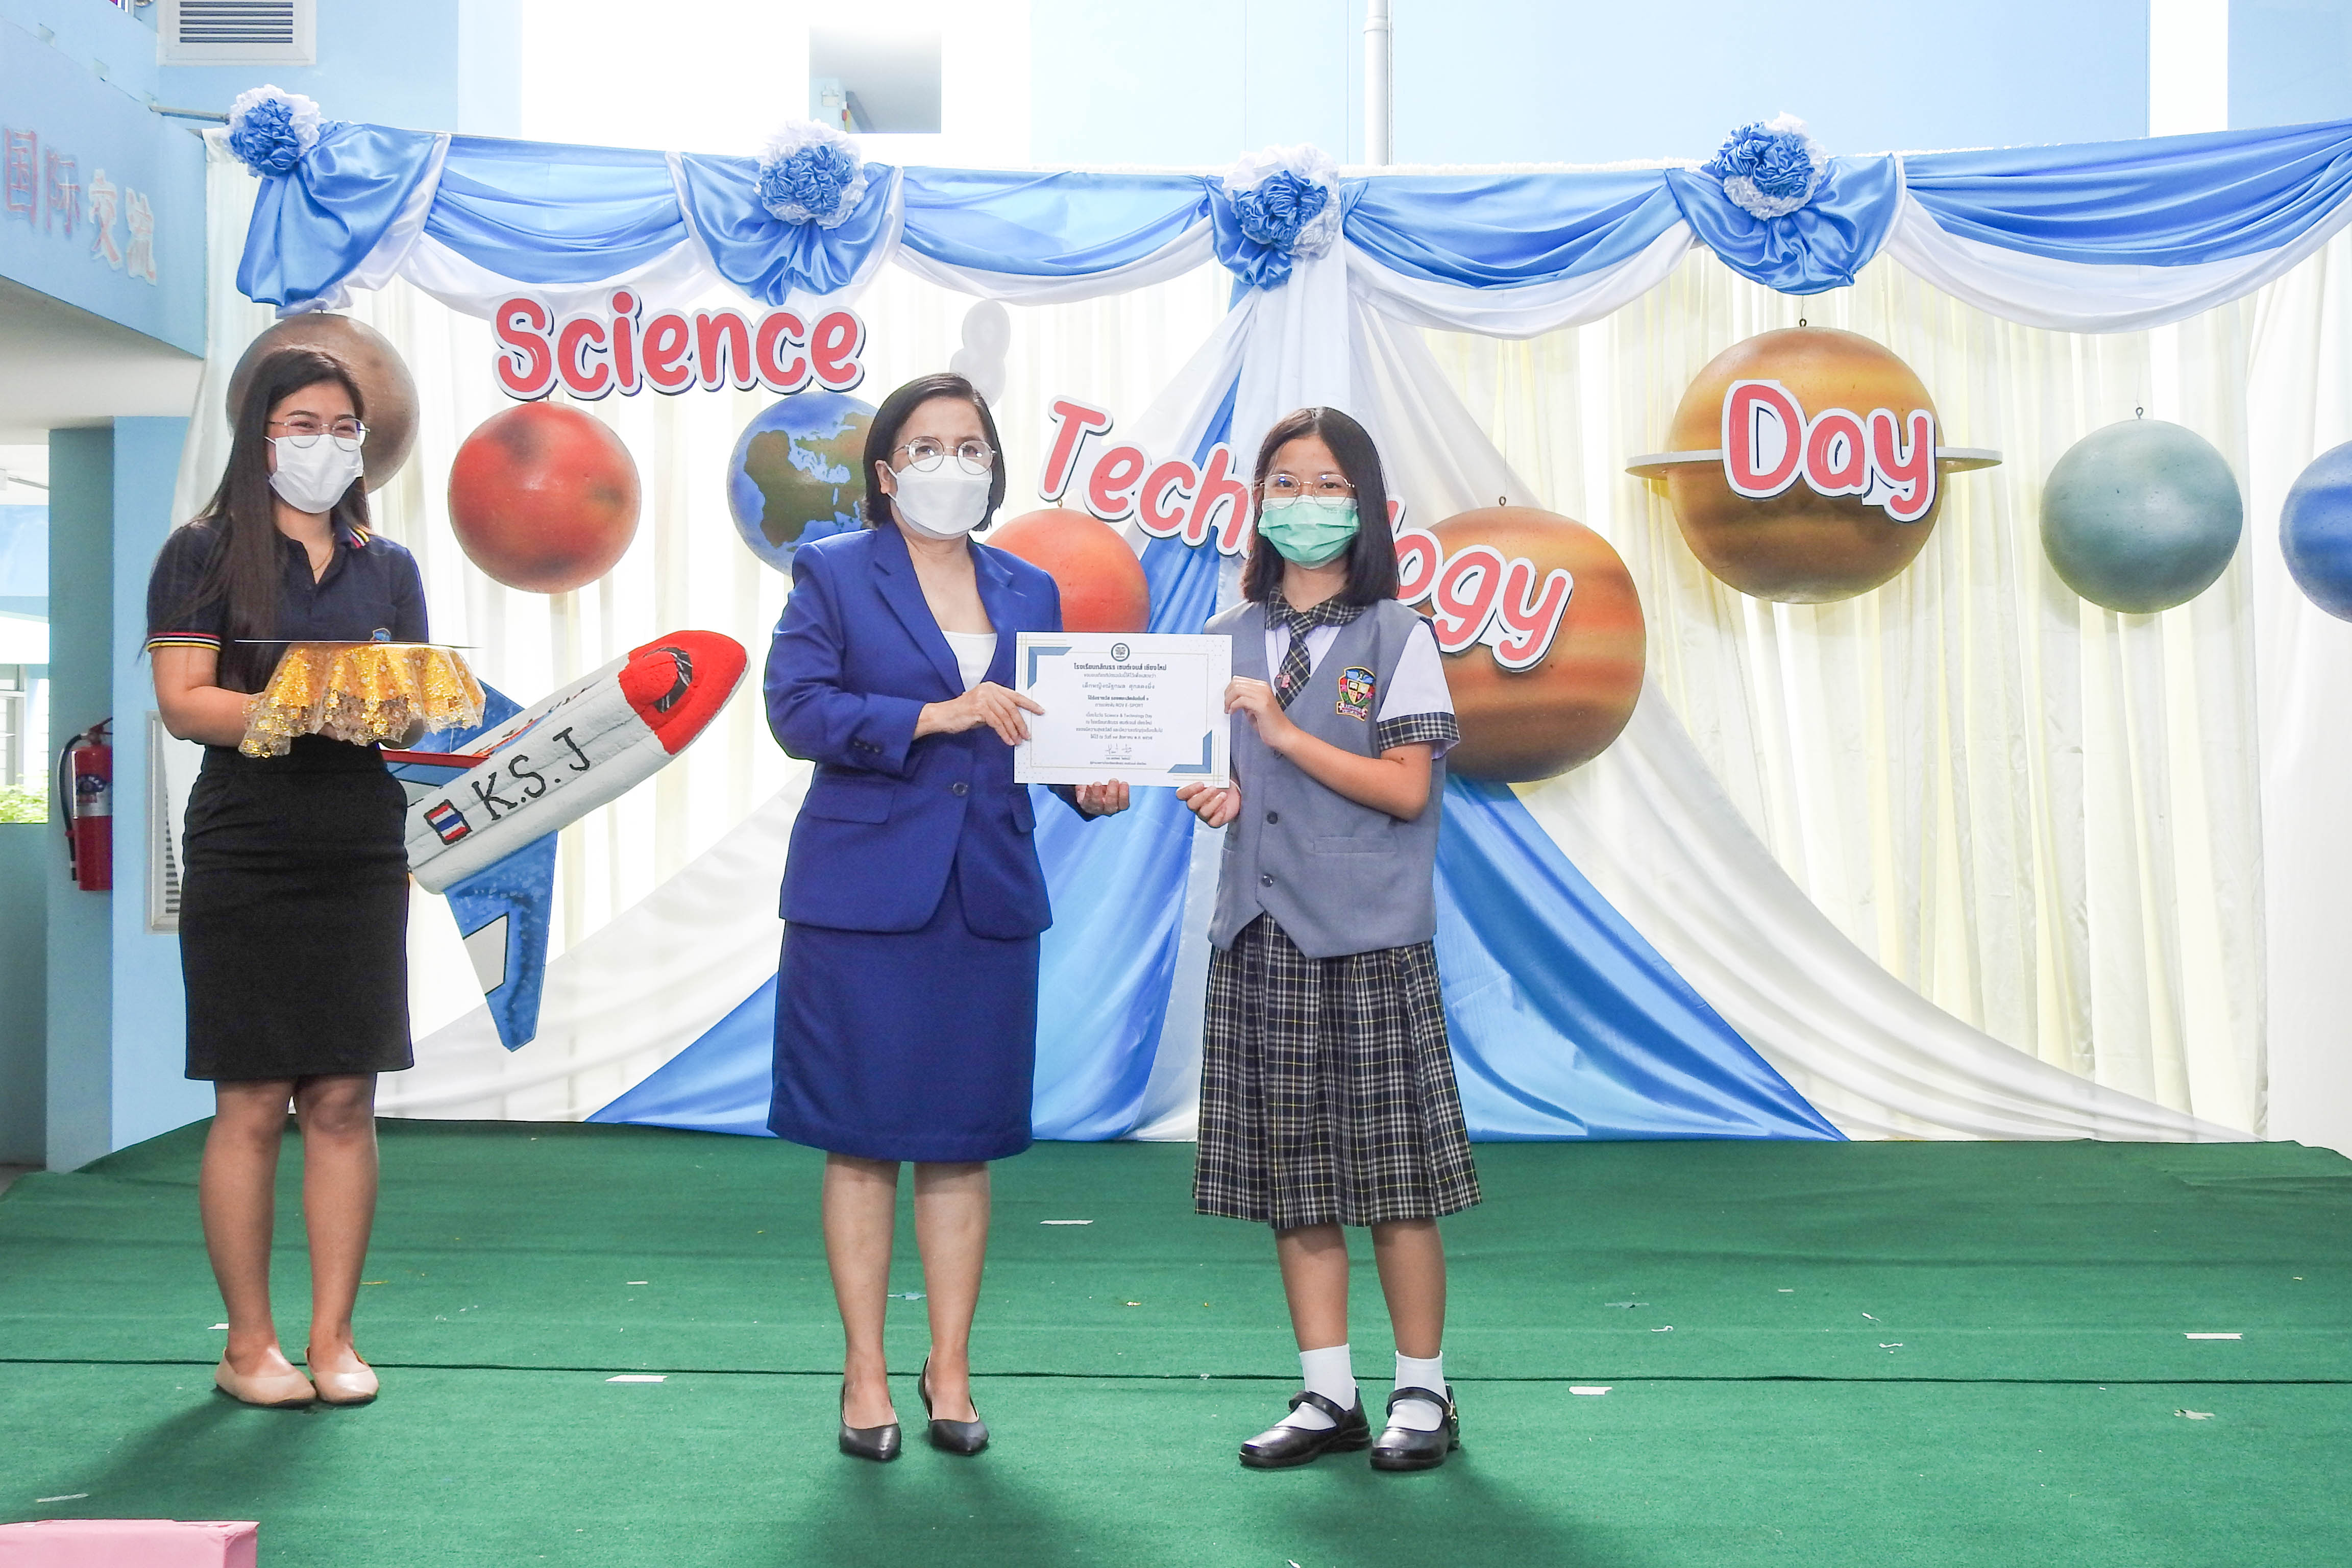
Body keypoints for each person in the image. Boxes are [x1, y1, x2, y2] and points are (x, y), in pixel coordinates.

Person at [764, 372, 1130, 1462]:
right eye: (926, 448)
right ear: (886, 472)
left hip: (986, 894)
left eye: (970, 447)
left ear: (994, 465)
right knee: (861, 1143)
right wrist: (936, 713)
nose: (951, 466)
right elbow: (797, 710)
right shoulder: (832, 571)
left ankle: (952, 1369)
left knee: (963, 1146)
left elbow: (1044, 732)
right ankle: (865, 1372)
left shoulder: (1029, 587)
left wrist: (1092, 782)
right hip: (862, 897)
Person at [1175, 405, 1481, 1472]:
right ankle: (1328, 1391)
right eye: (1284, 484)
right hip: (1260, 933)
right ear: (1258, 502)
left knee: (1395, 1184)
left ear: (1365, 503)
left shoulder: (1400, 635)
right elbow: (1217, 774)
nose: (1304, 504)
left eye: (1326, 484)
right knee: (1292, 1184)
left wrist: (1283, 732)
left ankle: (1424, 1392)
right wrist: (1213, 794)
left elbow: (1406, 789)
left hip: (1368, 941)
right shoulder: (1222, 637)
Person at [146, 345, 429, 1409]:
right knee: (256, 1095)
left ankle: (334, 1339)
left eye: (343, 428)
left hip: (360, 839)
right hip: (247, 837)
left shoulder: (387, 564)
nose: (326, 445)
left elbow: (410, 708)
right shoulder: (202, 551)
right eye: (303, 425)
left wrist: (397, 709)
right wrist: (307, 705)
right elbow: (185, 701)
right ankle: (249, 1348)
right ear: (260, 436)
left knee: (346, 1095)